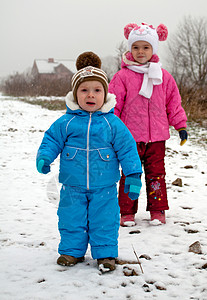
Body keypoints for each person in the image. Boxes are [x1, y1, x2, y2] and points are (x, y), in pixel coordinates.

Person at [36, 52, 142, 272]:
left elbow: (128, 149)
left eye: (97, 90)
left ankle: (105, 254)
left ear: (105, 94)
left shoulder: (113, 124)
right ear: (75, 95)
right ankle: (71, 252)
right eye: (84, 90)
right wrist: (45, 156)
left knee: (104, 220)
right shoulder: (67, 122)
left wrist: (133, 176)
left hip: (104, 187)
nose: (91, 95)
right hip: (71, 186)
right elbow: (51, 139)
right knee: (70, 218)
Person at [109, 22, 188, 226]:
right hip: (130, 138)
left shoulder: (163, 77)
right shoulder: (122, 77)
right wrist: (110, 129)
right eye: (136, 47)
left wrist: (180, 125)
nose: (140, 52)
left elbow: (173, 102)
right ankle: (126, 212)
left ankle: (157, 210)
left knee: (156, 175)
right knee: (130, 174)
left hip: (157, 138)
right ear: (130, 49)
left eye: (145, 47)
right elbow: (114, 106)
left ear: (153, 49)